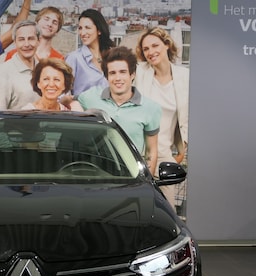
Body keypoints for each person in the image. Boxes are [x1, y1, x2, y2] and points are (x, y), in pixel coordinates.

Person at [77, 46, 161, 175]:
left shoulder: (150, 108)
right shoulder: (90, 98)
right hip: (94, 172)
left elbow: (151, 151)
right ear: (106, 76)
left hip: (130, 175)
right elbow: (67, 101)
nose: (117, 78)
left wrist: (147, 181)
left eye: (122, 72)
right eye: (112, 73)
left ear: (132, 75)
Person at [135, 26, 189, 209]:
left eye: (155, 45)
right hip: (138, 153)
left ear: (166, 45)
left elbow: (190, 117)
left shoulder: (185, 77)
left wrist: (181, 151)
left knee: (167, 211)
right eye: (146, 49)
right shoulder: (140, 72)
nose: (150, 52)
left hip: (164, 155)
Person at [0, 20, 40, 111]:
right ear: (15, 42)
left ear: (38, 41)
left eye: (31, 38)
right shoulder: (3, 72)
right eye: (21, 39)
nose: (26, 44)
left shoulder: (43, 69)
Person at [65, 9, 114, 96]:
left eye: (87, 28)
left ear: (99, 30)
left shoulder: (112, 56)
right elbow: (63, 92)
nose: (82, 33)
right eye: (80, 28)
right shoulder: (74, 58)